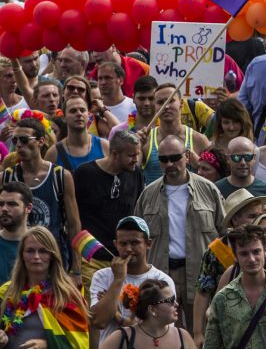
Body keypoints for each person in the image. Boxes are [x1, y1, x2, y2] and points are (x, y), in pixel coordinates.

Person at [135, 134, 225, 329]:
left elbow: (225, 233)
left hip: (201, 275)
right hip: (162, 275)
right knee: (162, 332)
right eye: (163, 159)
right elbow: (137, 240)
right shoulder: (148, 195)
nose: (170, 164)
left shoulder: (209, 190)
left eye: (175, 157)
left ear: (186, 156)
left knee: (200, 333)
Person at [2, 114, 82, 273]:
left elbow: (73, 224)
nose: (18, 145)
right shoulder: (7, 177)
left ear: (41, 141)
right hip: (16, 257)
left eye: (24, 140)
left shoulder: (61, 176)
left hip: (54, 258)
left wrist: (77, 269)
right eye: (15, 140)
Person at [203, 225, 266, 349]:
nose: (251, 259)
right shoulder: (222, 299)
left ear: (265, 250)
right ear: (236, 256)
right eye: (244, 254)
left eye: (256, 251)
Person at [192, 188, 266, 343]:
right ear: (234, 220)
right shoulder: (216, 251)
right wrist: (198, 333)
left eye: (259, 216)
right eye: (252, 216)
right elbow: (202, 293)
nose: (257, 220)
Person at [73, 128, 145, 290]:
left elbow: (139, 215)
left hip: (124, 258)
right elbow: (71, 217)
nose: (136, 159)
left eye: (137, 154)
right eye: (131, 155)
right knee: (95, 310)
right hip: (91, 259)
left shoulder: (136, 174)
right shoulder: (84, 174)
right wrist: (76, 266)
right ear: (115, 154)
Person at [90, 214, 176, 342]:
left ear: (148, 243)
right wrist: (118, 279)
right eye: (123, 244)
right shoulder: (102, 276)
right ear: (115, 244)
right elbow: (98, 321)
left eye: (135, 243)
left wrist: (118, 317)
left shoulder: (162, 280)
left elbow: (163, 327)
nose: (128, 249)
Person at [0, 226, 88, 347]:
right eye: (30, 251)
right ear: (22, 255)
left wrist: (48, 345)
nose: (36, 257)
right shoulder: (6, 291)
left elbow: (80, 344)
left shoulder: (68, 295)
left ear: (52, 256)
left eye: (43, 251)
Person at [100, 278, 196, 349]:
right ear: (152, 310)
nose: (176, 304)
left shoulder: (183, 336)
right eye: (170, 300)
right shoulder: (122, 337)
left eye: (174, 299)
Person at [214, 136, 266, 217]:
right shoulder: (216, 189)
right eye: (236, 157)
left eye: (247, 157)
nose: (243, 162)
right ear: (228, 159)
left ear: (254, 158)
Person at [0, 183, 31, 284]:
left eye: (12, 204)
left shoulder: (38, 245)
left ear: (28, 208)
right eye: (1, 204)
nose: (4, 209)